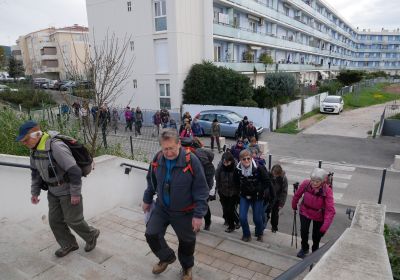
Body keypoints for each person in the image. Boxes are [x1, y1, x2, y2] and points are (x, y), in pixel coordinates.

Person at [16, 121, 100, 258]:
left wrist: (75, 193)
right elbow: (35, 173)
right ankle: (69, 243)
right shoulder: (34, 151)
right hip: (52, 191)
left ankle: (91, 235)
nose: (24, 143)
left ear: (36, 135)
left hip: (67, 189)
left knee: (74, 220)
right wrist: (35, 192)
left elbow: (74, 171)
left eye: (25, 140)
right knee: (54, 221)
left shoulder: (56, 146)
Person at [142, 129, 209, 280]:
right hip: (162, 208)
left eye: (171, 148)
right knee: (151, 234)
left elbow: (201, 189)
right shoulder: (158, 158)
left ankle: (186, 268)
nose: (169, 152)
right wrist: (147, 199)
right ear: (161, 147)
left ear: (179, 144)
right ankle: (166, 257)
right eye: (165, 148)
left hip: (184, 212)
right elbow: (151, 180)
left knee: (187, 242)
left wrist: (198, 215)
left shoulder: (191, 160)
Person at [292, 168, 336, 259]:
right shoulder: (306, 184)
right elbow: (297, 195)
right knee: (304, 231)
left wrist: (324, 227)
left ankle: (315, 250)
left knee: (316, 235)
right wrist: (294, 204)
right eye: (313, 180)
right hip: (305, 210)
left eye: (317, 181)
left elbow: (330, 210)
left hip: (319, 215)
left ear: (323, 181)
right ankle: (304, 248)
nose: (314, 183)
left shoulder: (327, 191)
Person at [234, 149, 273, 242]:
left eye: (248, 158)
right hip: (244, 196)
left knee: (257, 218)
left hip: (257, 197)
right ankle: (246, 235)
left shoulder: (259, 168)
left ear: (251, 158)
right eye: (244, 159)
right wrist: (240, 191)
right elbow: (235, 182)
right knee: (242, 217)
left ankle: (259, 233)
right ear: (240, 160)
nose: (246, 160)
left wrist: (259, 189)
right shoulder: (238, 169)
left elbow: (267, 181)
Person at [216, 151, 240, 233]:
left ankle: (238, 221)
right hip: (223, 192)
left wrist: (237, 192)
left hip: (233, 192)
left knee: (231, 209)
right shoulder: (220, 168)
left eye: (228, 162)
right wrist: (219, 190)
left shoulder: (236, 168)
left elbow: (239, 181)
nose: (225, 164)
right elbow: (217, 179)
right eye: (224, 162)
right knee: (226, 210)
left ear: (231, 161)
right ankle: (231, 226)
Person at [269, 164, 288, 233]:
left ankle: (274, 227)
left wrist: (281, 204)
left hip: (277, 198)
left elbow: (284, 192)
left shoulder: (283, 179)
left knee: (275, 214)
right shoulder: (269, 175)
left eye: (276, 175)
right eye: (273, 174)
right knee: (266, 213)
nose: (274, 176)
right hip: (269, 197)